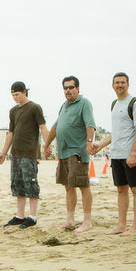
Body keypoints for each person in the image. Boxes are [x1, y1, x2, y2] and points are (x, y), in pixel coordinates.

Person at [91, 72, 136, 236]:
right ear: (112, 85)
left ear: (128, 85)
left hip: (132, 155)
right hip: (116, 155)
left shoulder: (135, 104)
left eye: (123, 82)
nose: (120, 85)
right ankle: (121, 225)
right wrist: (100, 146)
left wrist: (133, 154)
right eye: (117, 82)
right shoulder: (115, 104)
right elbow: (115, 133)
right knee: (121, 190)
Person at [43, 76, 96, 233]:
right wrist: (46, 145)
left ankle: (87, 221)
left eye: (71, 87)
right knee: (68, 187)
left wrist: (88, 142)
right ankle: (70, 220)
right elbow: (56, 126)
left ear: (77, 88)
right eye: (65, 88)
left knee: (83, 186)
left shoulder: (84, 103)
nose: (68, 90)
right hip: (64, 152)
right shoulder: (64, 106)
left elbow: (90, 124)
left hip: (77, 152)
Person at [0, 82, 49, 229]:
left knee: (30, 183)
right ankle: (20, 215)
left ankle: (32, 216)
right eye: (13, 95)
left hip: (29, 152)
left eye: (17, 94)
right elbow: (10, 133)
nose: (15, 97)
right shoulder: (13, 111)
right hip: (16, 153)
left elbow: (43, 127)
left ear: (25, 92)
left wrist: (47, 146)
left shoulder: (34, 107)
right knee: (17, 184)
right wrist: (4, 153)